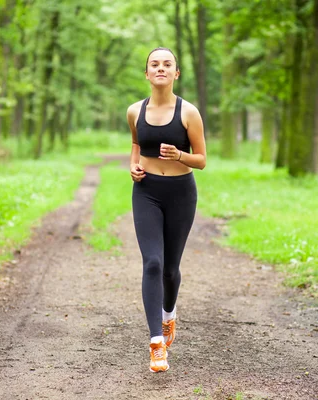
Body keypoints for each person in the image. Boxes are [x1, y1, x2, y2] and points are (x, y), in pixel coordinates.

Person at [126, 47, 207, 373]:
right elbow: (135, 144)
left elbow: (201, 160)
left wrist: (179, 156)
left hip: (180, 194)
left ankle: (169, 314)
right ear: (147, 74)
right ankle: (156, 343)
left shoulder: (189, 113)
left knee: (171, 269)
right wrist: (133, 165)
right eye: (154, 64)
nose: (160, 68)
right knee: (153, 263)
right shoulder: (134, 111)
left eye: (167, 64)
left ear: (176, 73)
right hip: (146, 193)